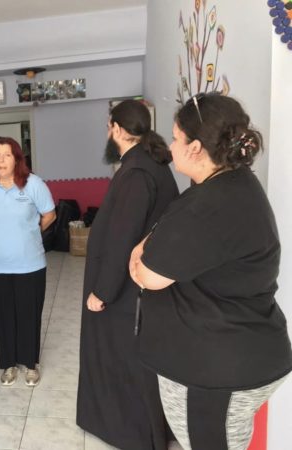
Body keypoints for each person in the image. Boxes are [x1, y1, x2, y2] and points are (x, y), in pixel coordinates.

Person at [129, 93, 292, 450]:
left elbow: (147, 275)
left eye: (176, 138)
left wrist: (141, 250)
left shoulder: (209, 205)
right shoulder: (234, 184)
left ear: (196, 148)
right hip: (238, 352)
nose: (170, 147)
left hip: (218, 368)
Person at [76, 99, 179, 450]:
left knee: (122, 361)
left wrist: (102, 292)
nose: (108, 133)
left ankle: (131, 434)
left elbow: (123, 238)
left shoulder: (136, 173)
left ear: (118, 129)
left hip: (125, 293)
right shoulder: (147, 164)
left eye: (109, 127)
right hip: (139, 287)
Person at [0, 137, 56, 386]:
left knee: (29, 314)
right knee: (3, 315)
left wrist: (31, 232)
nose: (2, 160)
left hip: (30, 264)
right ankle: (8, 364)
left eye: (7, 155)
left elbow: (49, 214)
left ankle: (30, 364)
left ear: (17, 159)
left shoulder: (33, 184)